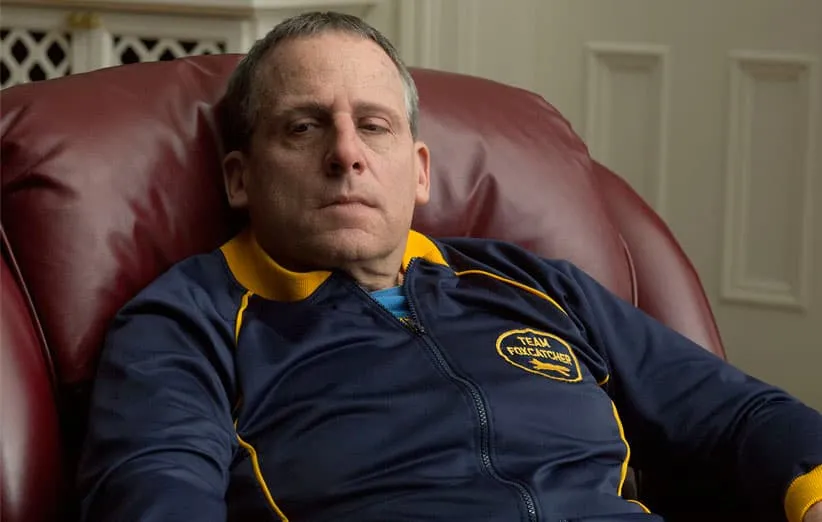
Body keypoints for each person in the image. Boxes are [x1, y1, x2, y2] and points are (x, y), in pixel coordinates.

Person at [76, 11, 822, 522]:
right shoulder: (186, 319)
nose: (346, 153)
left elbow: (740, 413)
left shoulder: (534, 284)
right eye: (303, 127)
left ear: (421, 172)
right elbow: (154, 494)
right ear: (240, 179)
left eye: (375, 126)